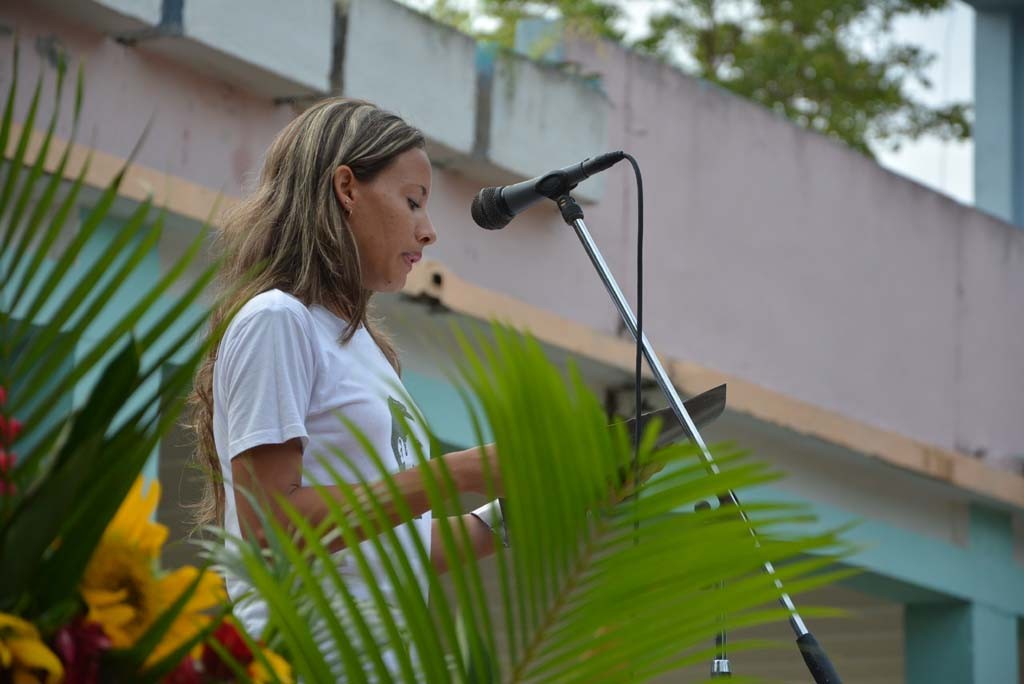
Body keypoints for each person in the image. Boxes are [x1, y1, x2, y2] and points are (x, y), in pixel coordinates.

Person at [188, 98, 505, 648]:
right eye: (413, 201)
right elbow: (274, 526)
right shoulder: (278, 320)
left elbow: (399, 548)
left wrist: (523, 507)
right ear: (347, 188)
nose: (428, 231)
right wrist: (463, 471)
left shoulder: (366, 352)